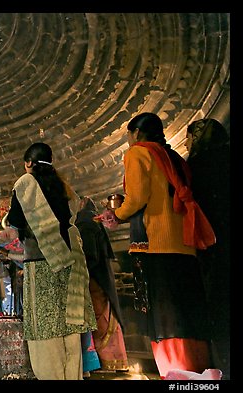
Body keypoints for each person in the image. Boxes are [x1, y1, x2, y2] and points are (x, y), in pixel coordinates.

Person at [106, 112, 215, 378]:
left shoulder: (138, 153)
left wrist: (116, 215)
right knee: (187, 312)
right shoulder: (175, 157)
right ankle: (200, 374)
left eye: (129, 135)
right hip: (185, 245)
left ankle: (176, 375)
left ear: (136, 133)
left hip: (155, 244)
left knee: (164, 318)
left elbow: (138, 198)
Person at [0, 142, 96, 380]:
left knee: (44, 323)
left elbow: (16, 224)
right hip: (71, 260)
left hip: (41, 262)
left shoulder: (25, 184)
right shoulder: (65, 187)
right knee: (68, 321)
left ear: (28, 163)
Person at [185, 118, 230, 378]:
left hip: (213, 243)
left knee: (218, 305)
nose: (188, 143)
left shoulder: (198, 165)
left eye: (190, 138)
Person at [75, 196, 129, 372]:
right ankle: (116, 360)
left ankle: (103, 360)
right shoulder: (95, 221)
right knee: (107, 314)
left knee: (99, 317)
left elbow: (90, 253)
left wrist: (82, 269)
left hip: (93, 277)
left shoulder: (84, 222)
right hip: (103, 275)